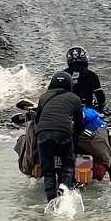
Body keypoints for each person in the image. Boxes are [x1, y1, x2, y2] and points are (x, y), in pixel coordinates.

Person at [34, 71, 85, 201]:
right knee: (67, 164)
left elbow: (37, 119)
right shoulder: (74, 98)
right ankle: (63, 185)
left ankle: (51, 200)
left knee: (48, 170)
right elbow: (80, 125)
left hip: (43, 134)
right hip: (63, 133)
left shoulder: (44, 97)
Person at [65, 46, 106, 111]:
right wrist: (100, 109)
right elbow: (100, 96)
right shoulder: (91, 75)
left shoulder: (64, 74)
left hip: (67, 109)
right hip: (86, 109)